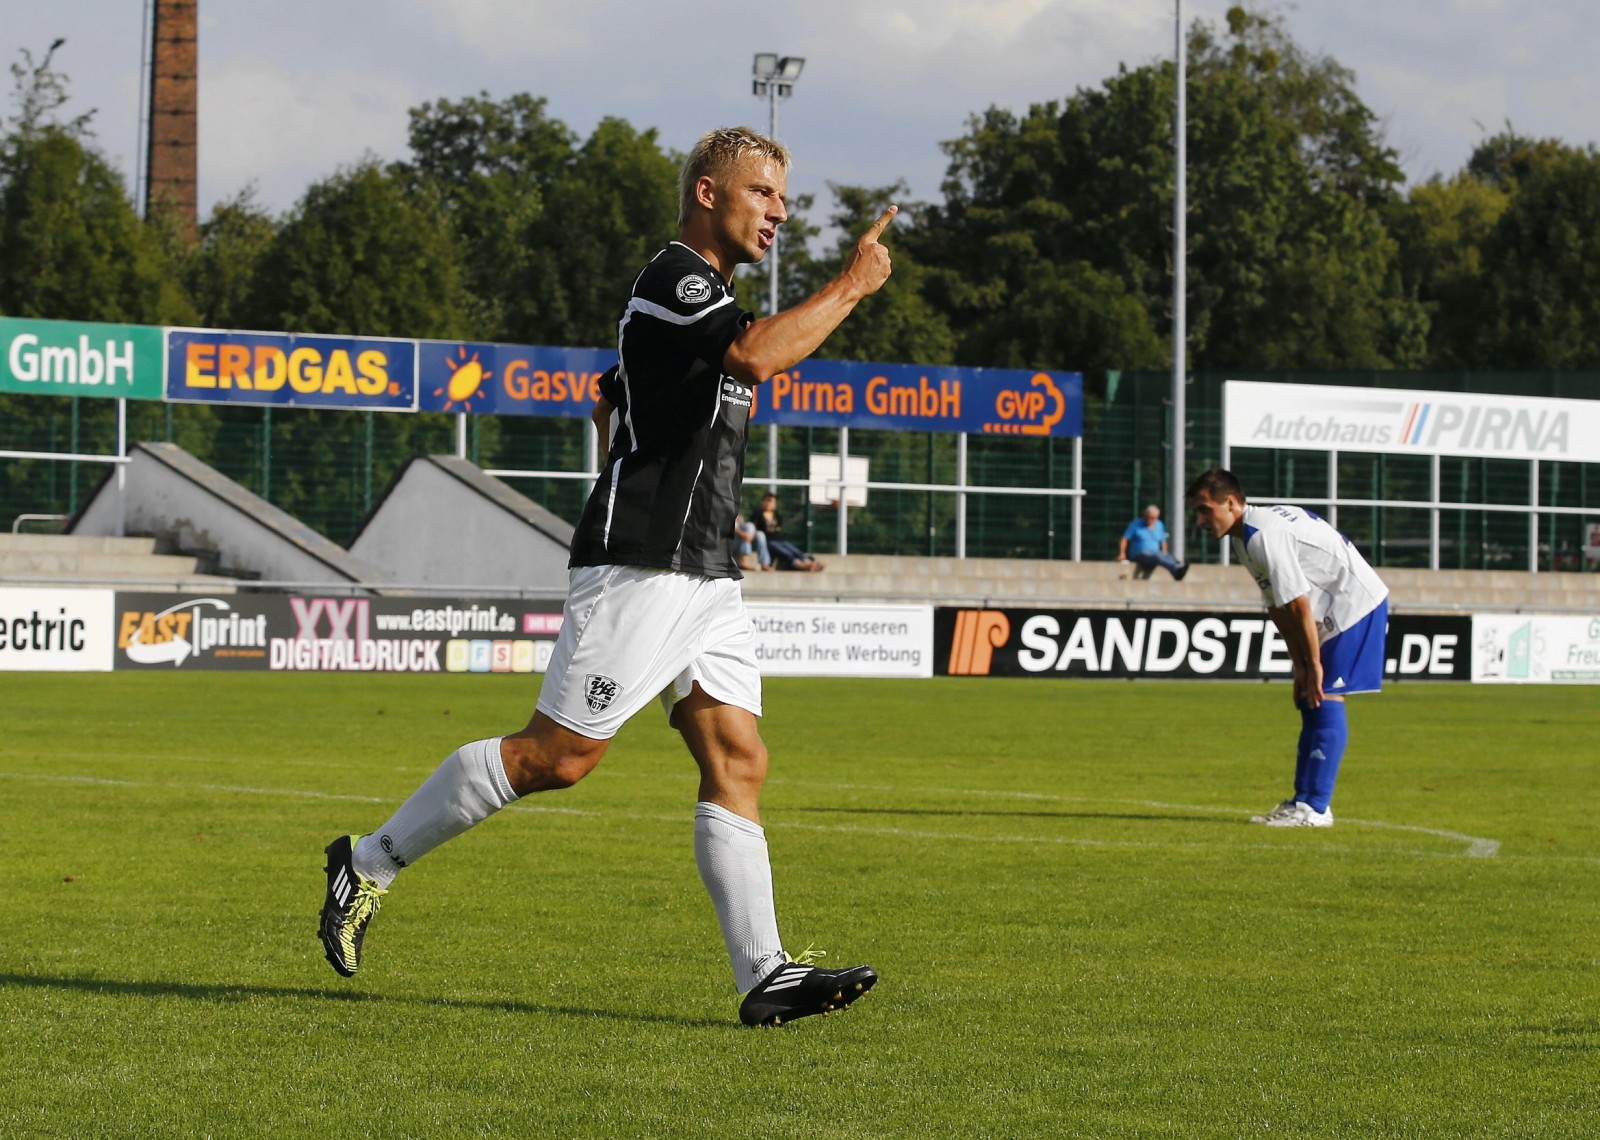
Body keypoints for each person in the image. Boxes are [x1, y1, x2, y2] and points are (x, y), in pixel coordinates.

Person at [319, 126, 897, 1026]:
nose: (780, 211)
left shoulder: (707, 307)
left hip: (706, 572)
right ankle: (368, 861)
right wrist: (855, 285)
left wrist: (629, 427)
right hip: (643, 565)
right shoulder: (676, 278)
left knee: (737, 757)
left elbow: (613, 398)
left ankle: (764, 975)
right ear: (709, 192)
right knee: (559, 758)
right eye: (764, 192)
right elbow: (751, 357)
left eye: (785, 197)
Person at [1186, 468, 1389, 828]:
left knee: (1324, 694)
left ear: (1230, 503)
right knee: (1311, 696)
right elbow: (1278, 606)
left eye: (1205, 510)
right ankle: (1303, 801)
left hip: (1354, 605)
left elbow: (1297, 604)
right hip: (1335, 605)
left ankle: (1315, 808)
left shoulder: (1263, 534)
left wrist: (1313, 666)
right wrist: (1301, 667)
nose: (1201, 520)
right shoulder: (1245, 536)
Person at [754, 492, 825, 572]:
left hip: (780, 540)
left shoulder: (776, 515)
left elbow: (779, 528)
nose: (770, 503)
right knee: (786, 553)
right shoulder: (758, 514)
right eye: (769, 501)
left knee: (795, 551)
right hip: (769, 541)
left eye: (773, 501)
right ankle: (802, 565)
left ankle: (809, 562)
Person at [1118, 504, 1188, 580]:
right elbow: (1125, 539)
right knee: (1157, 556)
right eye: (1148, 517)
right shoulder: (1135, 524)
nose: (1149, 520)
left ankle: (1178, 568)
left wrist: (1164, 553)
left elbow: (1163, 541)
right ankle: (1176, 572)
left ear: (1157, 518)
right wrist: (1122, 553)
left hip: (1156, 553)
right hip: (1140, 554)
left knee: (1167, 556)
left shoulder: (1159, 525)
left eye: (1152, 518)